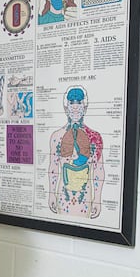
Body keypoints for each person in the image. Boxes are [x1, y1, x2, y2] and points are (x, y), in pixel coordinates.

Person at [48, 85, 105, 218]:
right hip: (63, 196)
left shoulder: (94, 137)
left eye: (79, 103)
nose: (75, 107)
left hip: (85, 197)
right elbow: (53, 168)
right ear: (65, 107)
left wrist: (97, 199)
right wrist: (51, 193)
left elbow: (98, 170)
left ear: (85, 107)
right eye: (71, 103)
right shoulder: (57, 136)